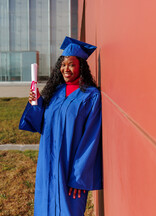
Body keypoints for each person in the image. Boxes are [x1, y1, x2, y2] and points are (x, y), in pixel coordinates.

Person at [19, 36, 103, 216]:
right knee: (45, 206)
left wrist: (79, 178)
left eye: (71, 64)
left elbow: (91, 138)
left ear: (81, 66)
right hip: (47, 163)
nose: (66, 68)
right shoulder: (55, 93)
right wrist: (37, 103)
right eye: (63, 64)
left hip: (69, 167)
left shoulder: (91, 96)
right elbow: (41, 124)